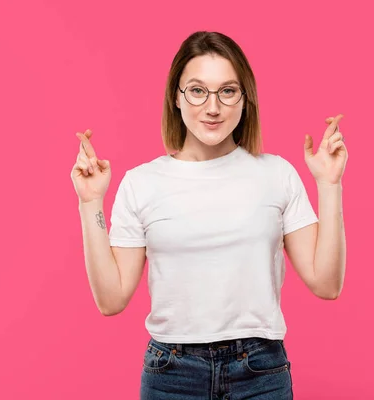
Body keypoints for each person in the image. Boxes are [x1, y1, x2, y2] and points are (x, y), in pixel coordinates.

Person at [71, 31, 347, 400]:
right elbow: (111, 300)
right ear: (176, 97)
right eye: (198, 90)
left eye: (227, 91)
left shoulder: (276, 174)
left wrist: (329, 185)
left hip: (260, 370)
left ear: (245, 98)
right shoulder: (142, 182)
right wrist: (90, 203)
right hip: (172, 373)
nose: (212, 107)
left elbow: (326, 284)